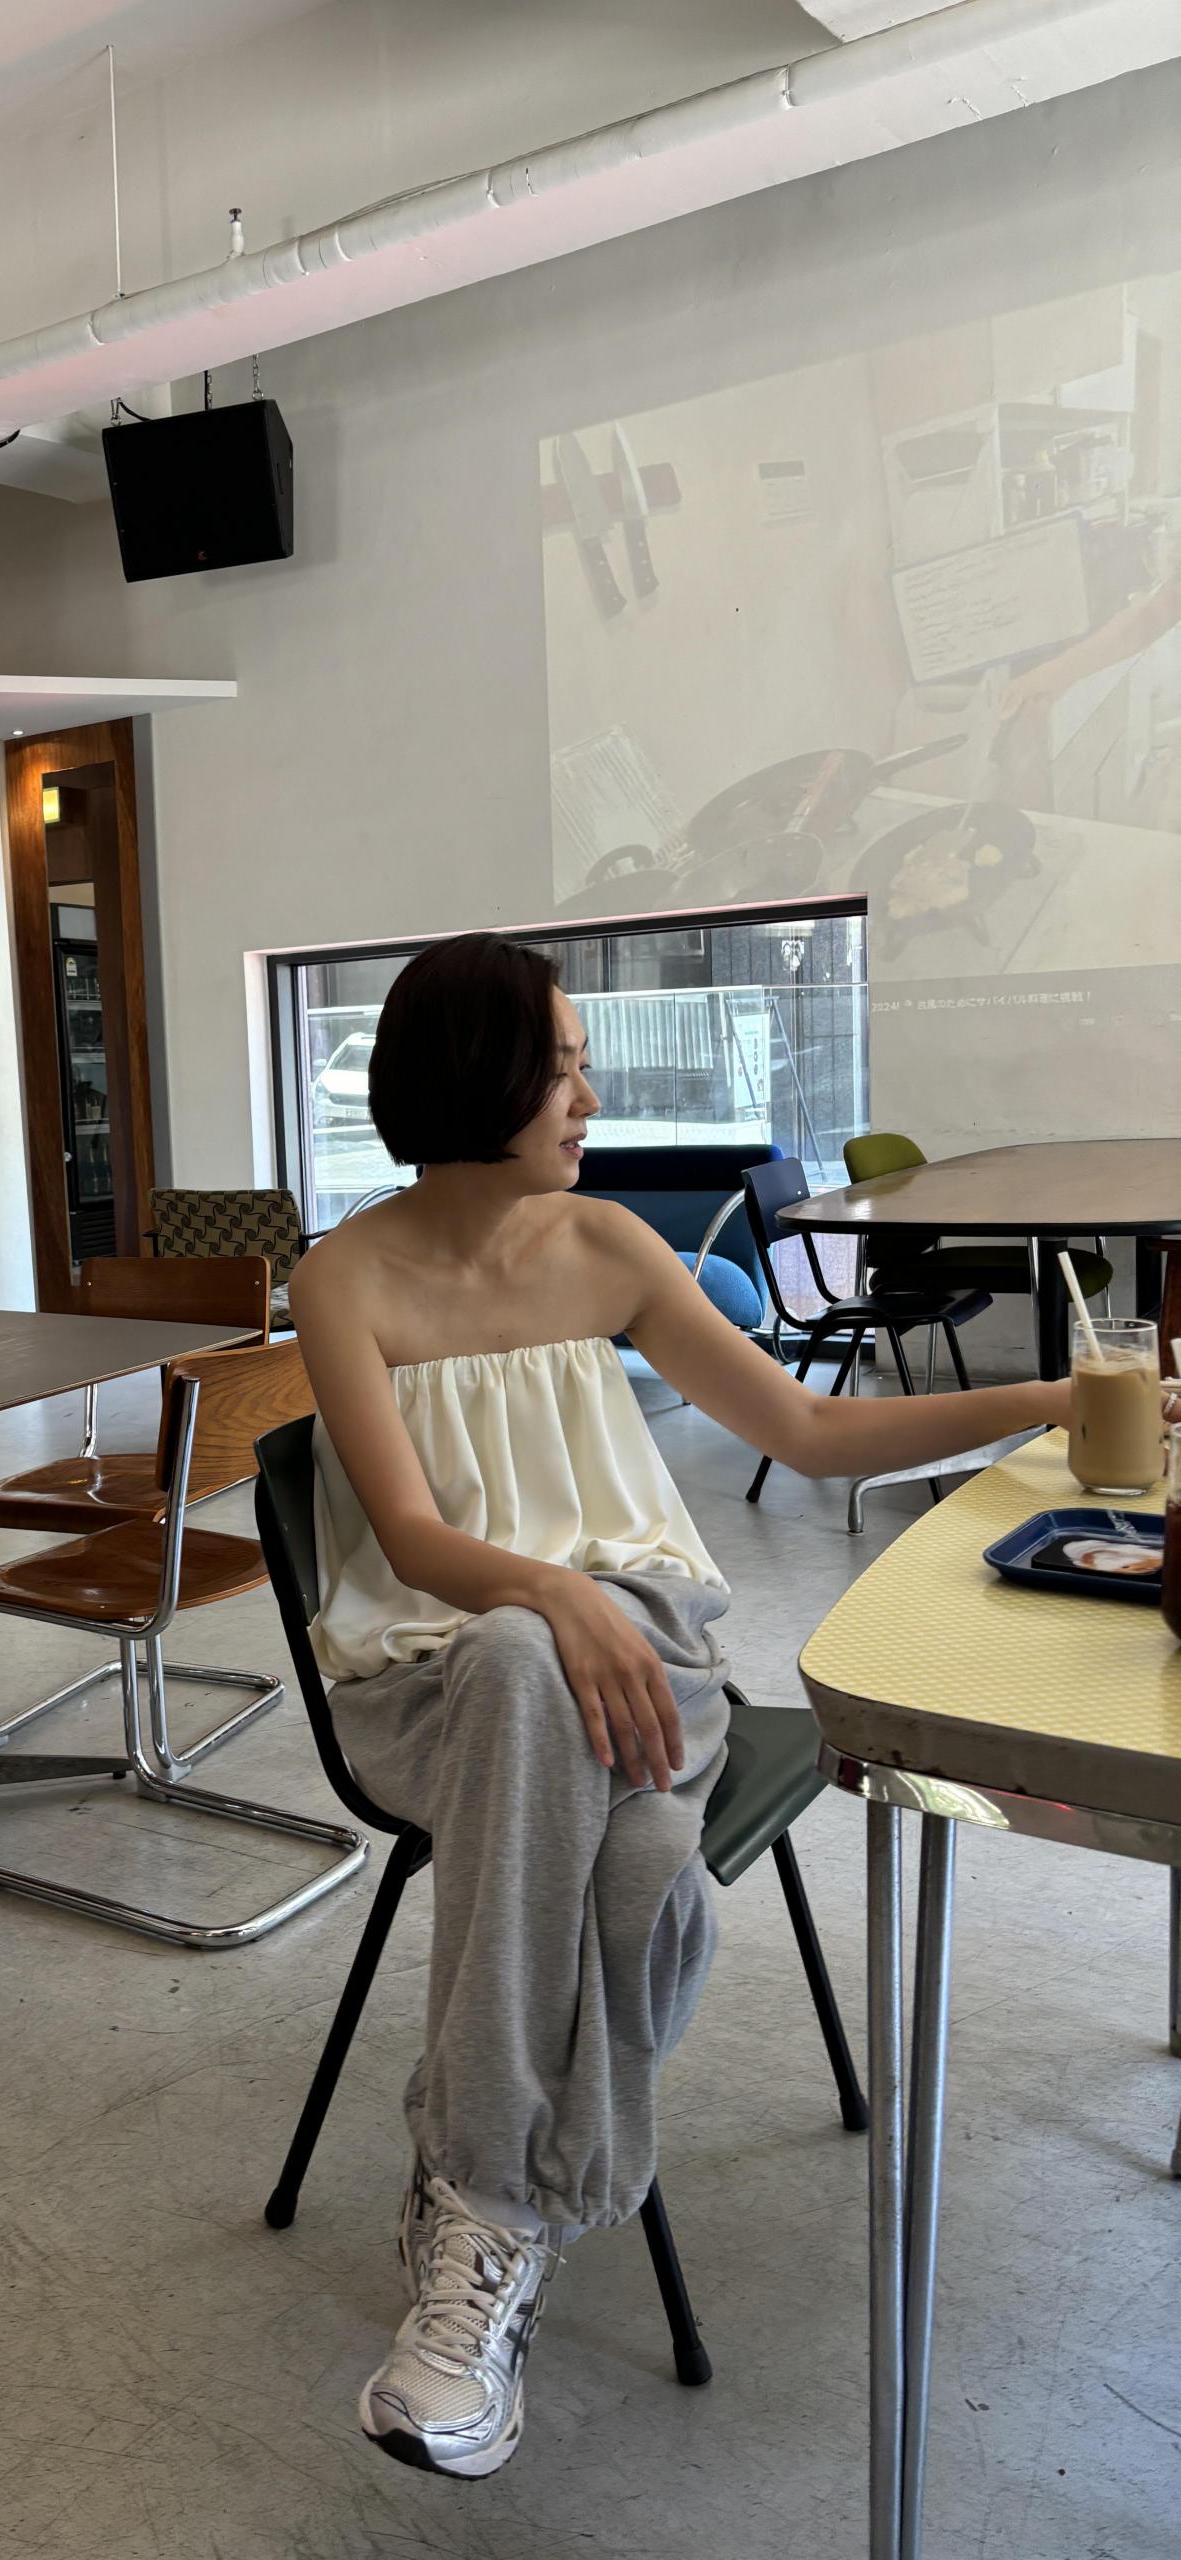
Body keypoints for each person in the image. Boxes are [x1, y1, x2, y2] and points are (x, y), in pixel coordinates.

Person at [289, 932, 1078, 2481]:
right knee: (635, 1848)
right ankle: (527, 2201)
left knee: (551, 1694)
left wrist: (1048, 1405)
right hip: (432, 1677)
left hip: (647, 1662)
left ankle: (474, 2212)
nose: (589, 1096)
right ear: (479, 1077)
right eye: (563, 1066)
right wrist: (554, 1591)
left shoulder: (607, 1248)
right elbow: (414, 1543)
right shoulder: (343, 1277)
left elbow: (808, 1431)